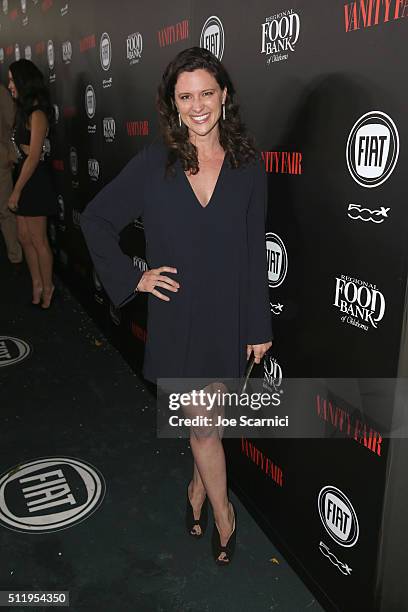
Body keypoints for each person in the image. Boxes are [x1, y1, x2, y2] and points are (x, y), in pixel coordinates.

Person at [81, 47, 272, 565]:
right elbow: (95, 219)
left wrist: (258, 323)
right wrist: (135, 277)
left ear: (224, 95)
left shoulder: (249, 165)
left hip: (228, 316)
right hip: (179, 318)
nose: (198, 105)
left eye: (206, 93)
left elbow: (256, 250)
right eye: (186, 96)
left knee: (205, 426)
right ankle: (224, 514)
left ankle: (195, 491)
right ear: (173, 104)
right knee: (206, 427)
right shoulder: (153, 164)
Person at [7, 59, 56, 309]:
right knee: (24, 238)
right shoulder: (23, 111)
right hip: (23, 176)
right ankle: (36, 284)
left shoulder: (37, 113)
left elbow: (35, 155)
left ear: (24, 82)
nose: (9, 85)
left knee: (38, 239)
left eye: (13, 80)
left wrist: (16, 191)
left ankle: (48, 287)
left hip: (35, 181)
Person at [0, 83, 22, 267]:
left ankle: (15, 259)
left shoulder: (0, 92)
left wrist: (8, 152)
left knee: (5, 211)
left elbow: (11, 121)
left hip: (1, 161)